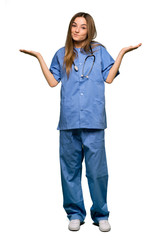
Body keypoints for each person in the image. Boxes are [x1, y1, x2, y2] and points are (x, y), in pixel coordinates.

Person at [19, 12, 142, 232]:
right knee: (70, 171)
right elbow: (52, 82)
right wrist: (39, 57)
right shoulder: (61, 53)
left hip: (94, 122)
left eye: (83, 27)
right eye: (74, 26)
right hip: (68, 123)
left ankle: (101, 214)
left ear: (90, 30)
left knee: (97, 172)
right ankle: (75, 213)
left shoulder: (99, 52)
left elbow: (109, 78)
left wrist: (122, 53)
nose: (77, 30)